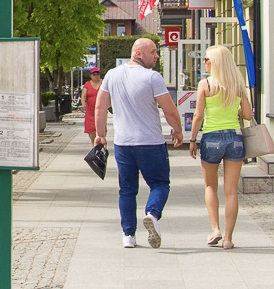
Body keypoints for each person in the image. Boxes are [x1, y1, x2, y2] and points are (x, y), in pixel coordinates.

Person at [95, 38, 184, 249]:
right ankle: (152, 214)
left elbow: (100, 107)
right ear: (137, 52)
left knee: (126, 190)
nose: (156, 55)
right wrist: (178, 130)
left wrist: (101, 135)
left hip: (123, 143)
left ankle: (128, 235)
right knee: (160, 183)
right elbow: (169, 110)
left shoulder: (111, 75)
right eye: (152, 52)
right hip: (150, 142)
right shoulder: (153, 78)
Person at [188, 45, 253, 250]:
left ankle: (215, 229)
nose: (205, 62)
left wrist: (192, 140)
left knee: (210, 187)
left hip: (212, 137)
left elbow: (198, 115)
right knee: (232, 191)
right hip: (235, 138)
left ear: (215, 62)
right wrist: (236, 106)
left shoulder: (205, 84)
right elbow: (248, 116)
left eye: (207, 59)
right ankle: (228, 238)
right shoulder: (238, 84)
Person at [81, 67, 102, 144]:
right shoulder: (87, 84)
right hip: (90, 110)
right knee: (91, 128)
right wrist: (83, 104)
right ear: (90, 75)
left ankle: (100, 143)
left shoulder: (103, 83)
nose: (96, 76)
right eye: (94, 74)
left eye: (97, 74)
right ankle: (94, 143)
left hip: (100, 109)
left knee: (101, 126)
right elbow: (83, 96)